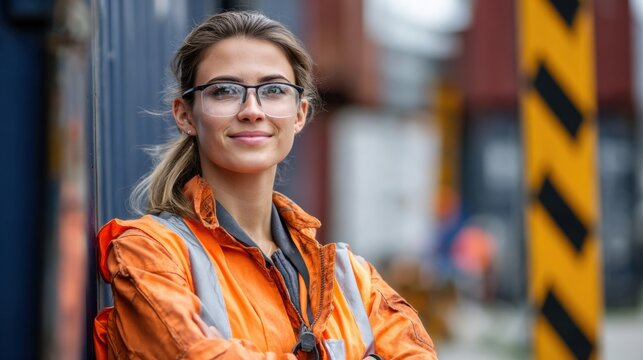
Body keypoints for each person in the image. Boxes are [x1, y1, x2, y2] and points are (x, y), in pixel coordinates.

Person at [93, 10, 438, 360]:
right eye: (225, 90)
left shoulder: (351, 279)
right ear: (185, 115)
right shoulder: (150, 252)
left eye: (273, 90)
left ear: (300, 113)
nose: (252, 109)